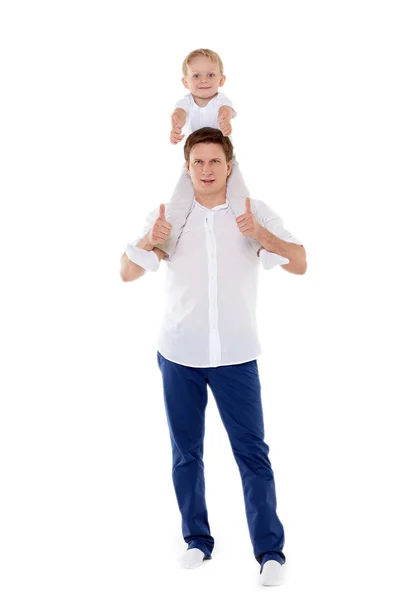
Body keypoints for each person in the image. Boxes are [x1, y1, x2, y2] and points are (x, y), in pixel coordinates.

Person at [120, 127, 307, 587]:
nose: (206, 170)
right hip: (179, 352)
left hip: (236, 357)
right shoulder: (169, 215)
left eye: (214, 162)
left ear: (229, 165)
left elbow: (301, 261)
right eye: (197, 162)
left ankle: (269, 551)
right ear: (187, 167)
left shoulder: (252, 211)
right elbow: (125, 273)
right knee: (186, 453)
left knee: (253, 455)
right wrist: (148, 241)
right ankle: (196, 541)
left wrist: (262, 235)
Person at [155, 47, 262, 260]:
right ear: (185, 82)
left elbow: (225, 110)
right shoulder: (185, 102)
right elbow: (179, 114)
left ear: (221, 80)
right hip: (195, 164)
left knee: (240, 199)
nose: (204, 80)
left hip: (224, 162)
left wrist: (225, 120)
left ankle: (258, 246)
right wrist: (176, 125)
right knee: (178, 202)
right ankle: (162, 248)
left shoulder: (220, 101)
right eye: (196, 75)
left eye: (210, 75)